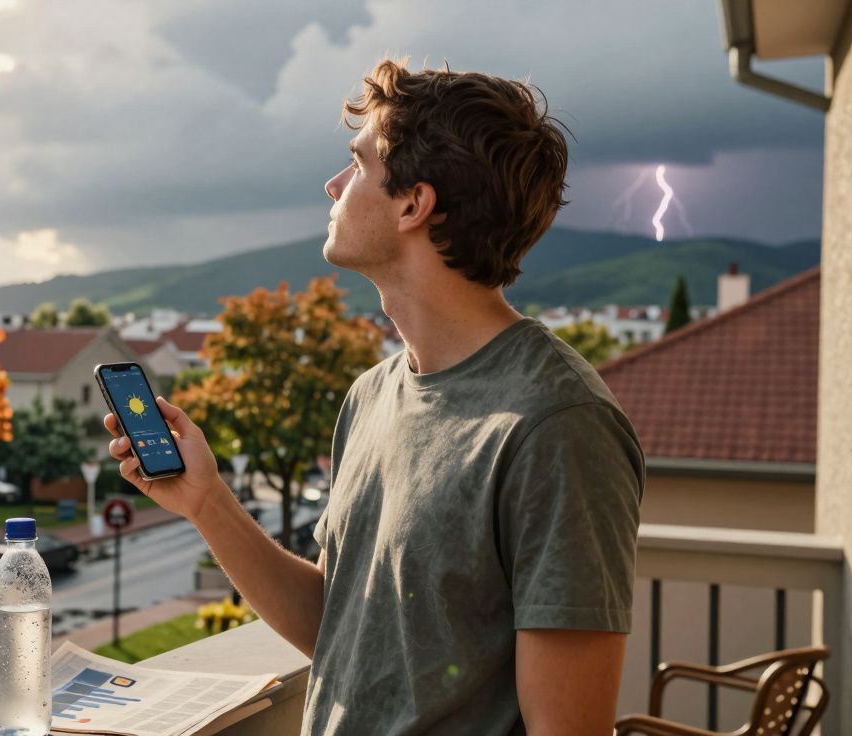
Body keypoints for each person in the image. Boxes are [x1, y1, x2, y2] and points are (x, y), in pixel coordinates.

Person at [103, 59, 642, 735]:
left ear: (414, 203)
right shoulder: (372, 395)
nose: (332, 184)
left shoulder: (558, 425)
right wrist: (205, 501)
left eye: (357, 163)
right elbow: (336, 625)